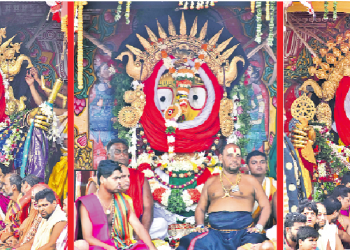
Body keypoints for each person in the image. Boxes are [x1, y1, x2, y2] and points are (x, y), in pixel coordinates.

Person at [177, 142, 270, 250]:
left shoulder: (250, 180)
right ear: (221, 158)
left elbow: (266, 206)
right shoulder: (211, 181)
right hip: (214, 233)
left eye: (237, 156)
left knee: (256, 243)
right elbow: (201, 208)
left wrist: (259, 227)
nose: (234, 159)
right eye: (229, 155)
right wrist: (200, 225)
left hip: (244, 232)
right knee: (191, 242)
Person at [87, 138, 167, 239]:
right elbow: (91, 211)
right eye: (117, 152)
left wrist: (142, 235)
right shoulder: (99, 179)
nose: (122, 154)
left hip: (135, 227)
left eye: (125, 151)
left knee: (161, 224)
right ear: (108, 156)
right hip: (109, 228)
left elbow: (148, 207)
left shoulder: (139, 176)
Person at [76, 160, 157, 250]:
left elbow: (138, 227)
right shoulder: (87, 203)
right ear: (103, 179)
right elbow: (88, 237)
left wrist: (152, 247)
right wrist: (109, 248)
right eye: (115, 179)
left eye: (120, 178)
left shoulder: (122, 200)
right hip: (99, 247)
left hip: (120, 245)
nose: (119, 182)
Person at [246, 150, 276, 224]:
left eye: (262, 162)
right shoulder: (241, 185)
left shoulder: (274, 184)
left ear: (266, 165)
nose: (259, 165)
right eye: (254, 163)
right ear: (247, 167)